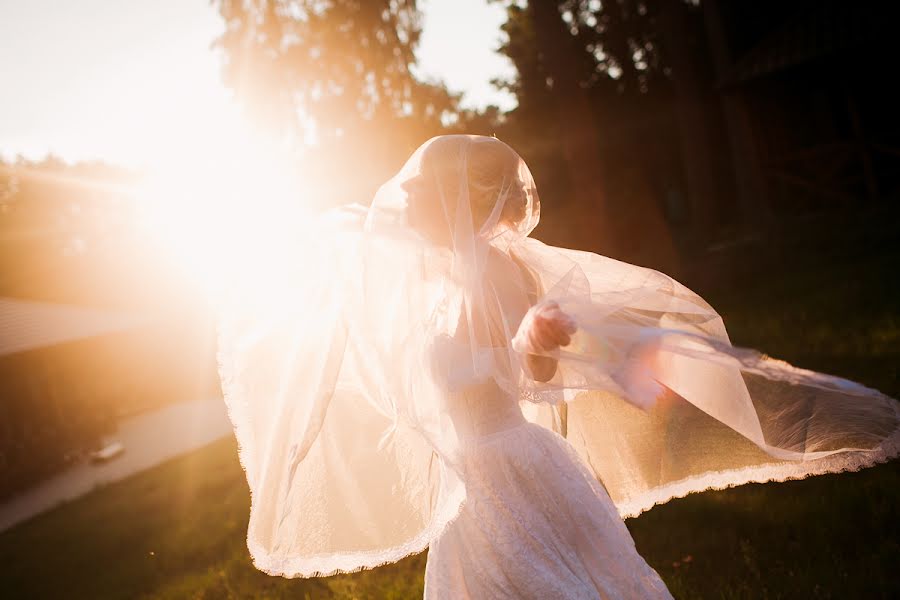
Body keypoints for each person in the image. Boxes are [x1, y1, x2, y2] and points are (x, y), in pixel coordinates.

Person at [217, 135, 900, 598]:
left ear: (457, 198)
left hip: (510, 467)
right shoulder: (441, 278)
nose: (408, 201)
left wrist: (535, 344)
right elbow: (366, 285)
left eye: (423, 191)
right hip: (471, 480)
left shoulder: (498, 268)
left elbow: (531, 375)